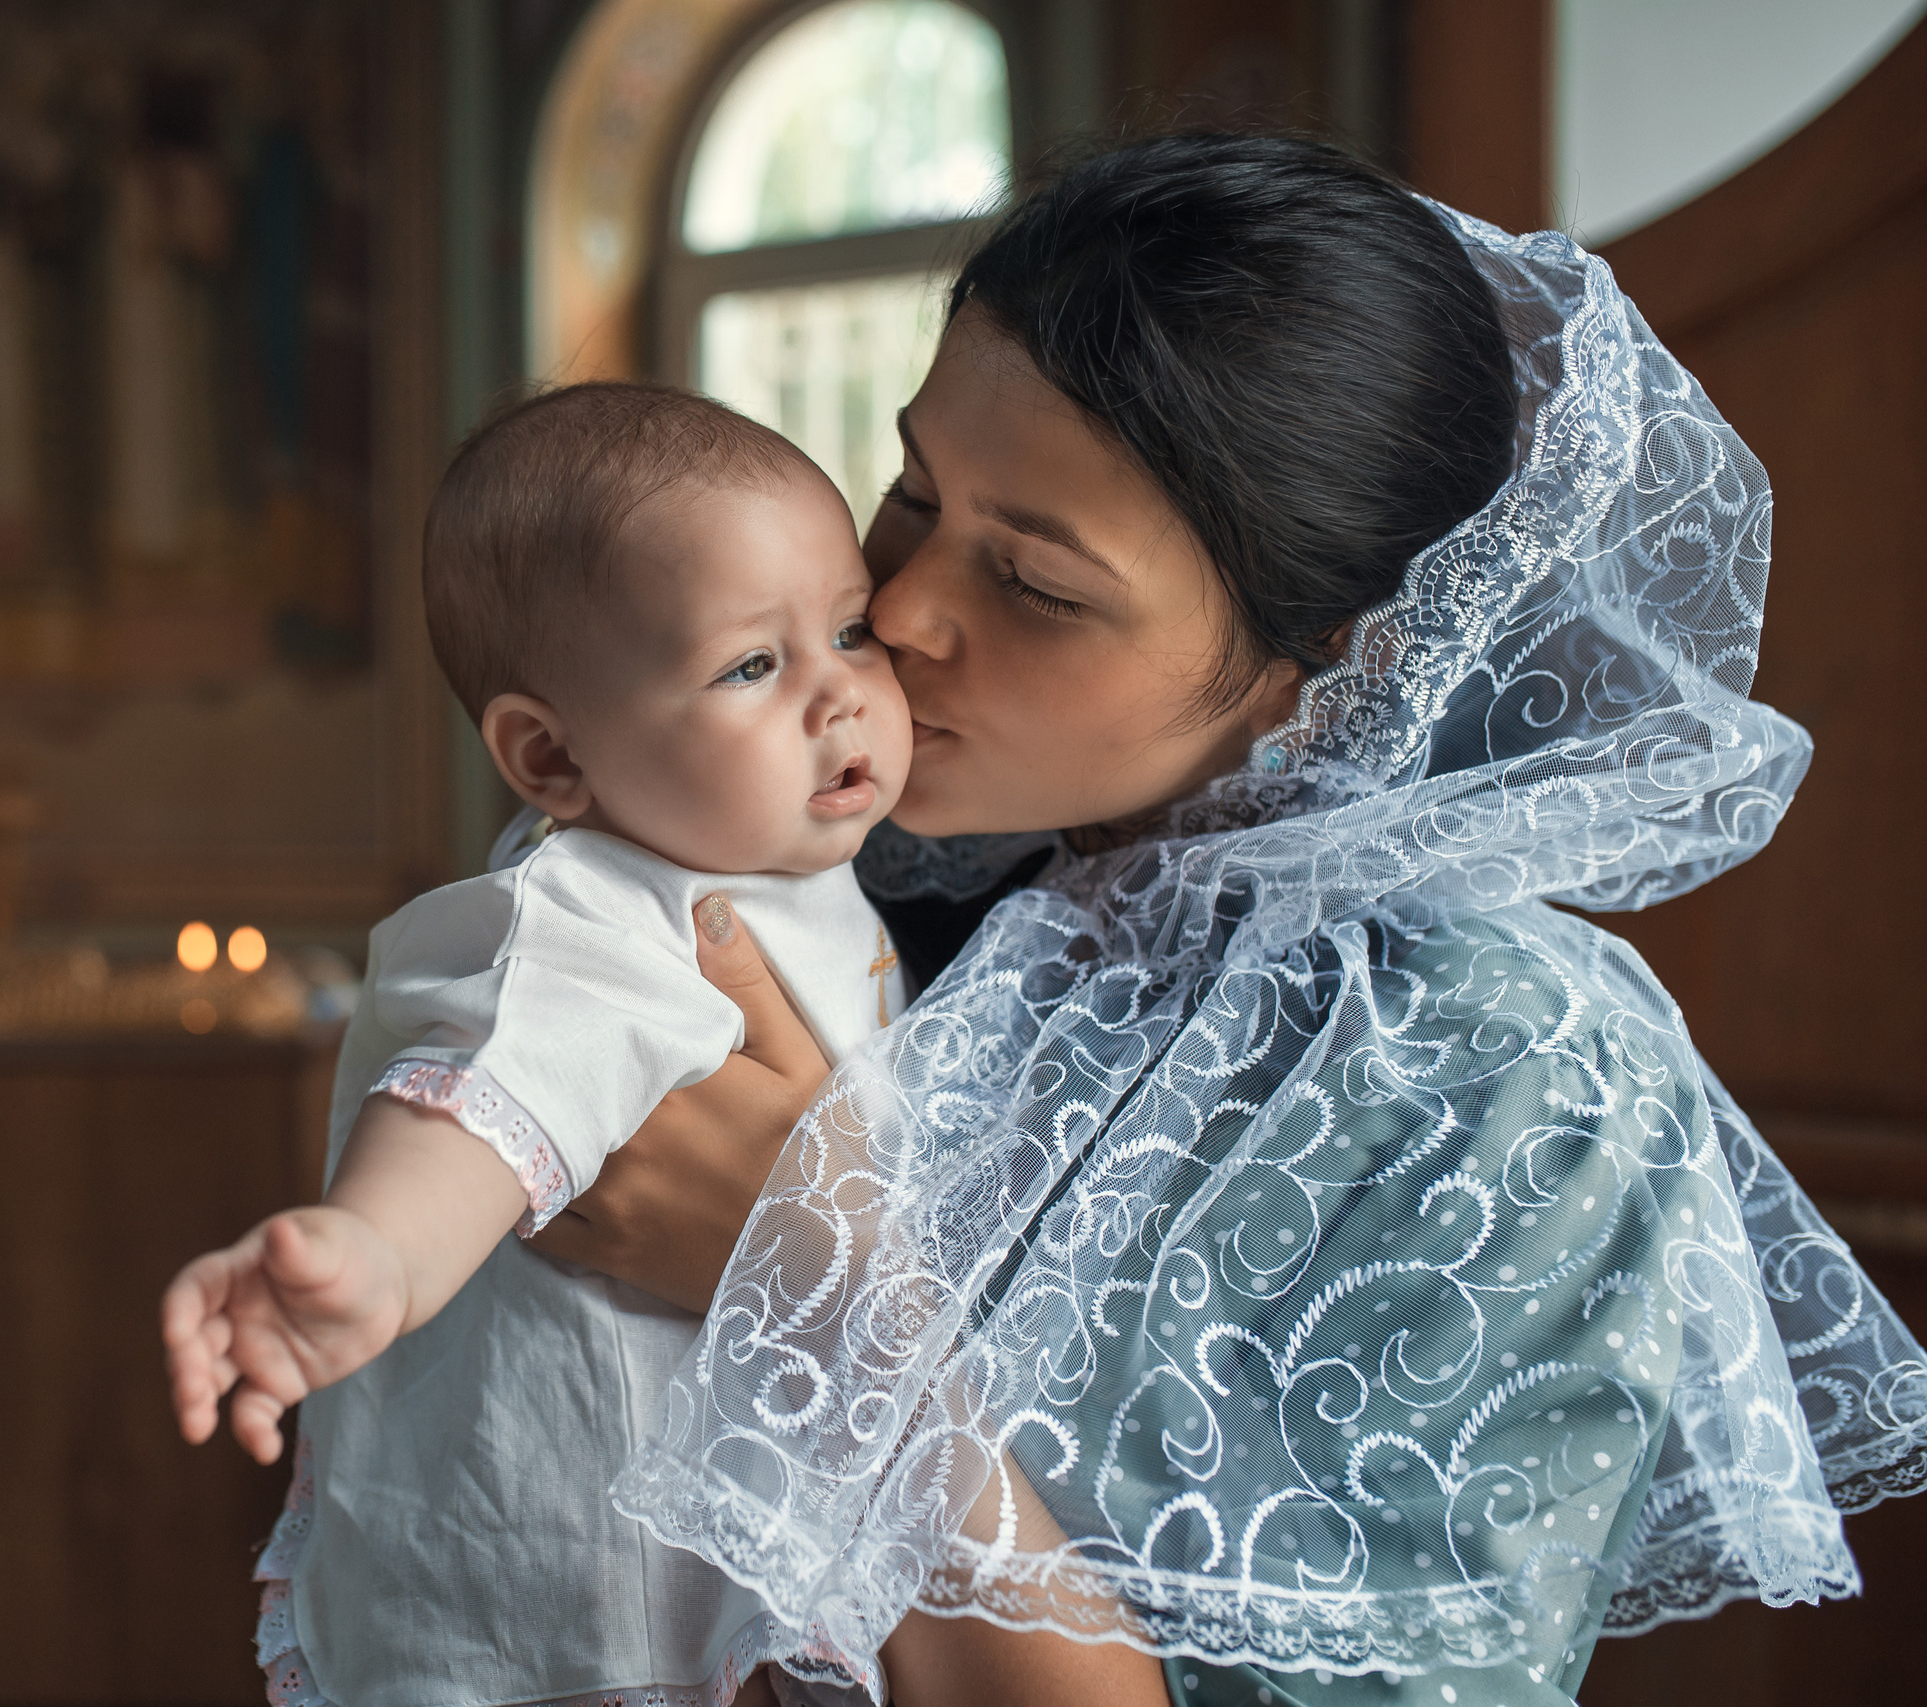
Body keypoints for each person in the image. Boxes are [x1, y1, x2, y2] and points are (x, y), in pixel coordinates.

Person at [532, 136, 1927, 1706]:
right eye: (914, 489)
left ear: (1329, 657)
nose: (902, 608)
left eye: (1036, 582)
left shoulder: (1510, 1075)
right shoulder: (849, 862)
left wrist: (824, 1300)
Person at [161, 383, 914, 1707]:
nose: (840, 694)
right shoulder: (589, 920)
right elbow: (484, 1092)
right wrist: (380, 1254)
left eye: (851, 629)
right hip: (595, 1593)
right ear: (552, 758)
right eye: (752, 666)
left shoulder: (778, 862)